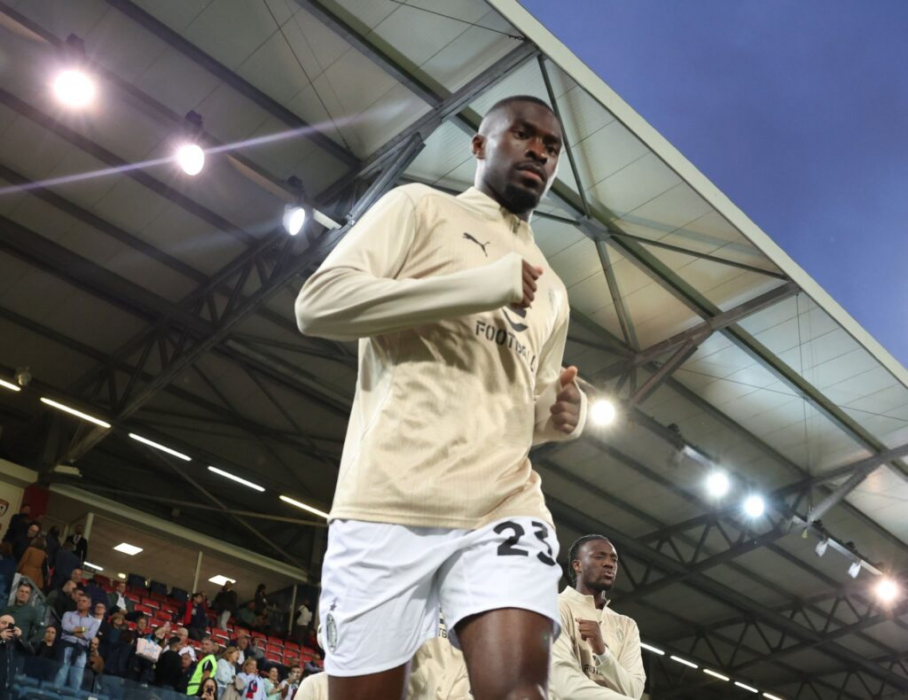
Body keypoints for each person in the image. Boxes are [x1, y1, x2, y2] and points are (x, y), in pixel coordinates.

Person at [294, 94, 586, 698]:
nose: (539, 151)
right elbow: (318, 305)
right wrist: (477, 287)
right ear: (479, 145)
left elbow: (528, 407)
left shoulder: (554, 291)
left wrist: (560, 416)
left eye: (551, 147)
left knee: (520, 693)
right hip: (388, 499)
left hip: (503, 502)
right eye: (523, 134)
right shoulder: (419, 208)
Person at [551, 536, 645, 700]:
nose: (609, 564)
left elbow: (633, 692)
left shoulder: (626, 625)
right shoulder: (553, 607)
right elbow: (563, 684)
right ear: (577, 565)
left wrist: (603, 653)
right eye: (599, 557)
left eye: (614, 559)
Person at [55, 591, 100, 690]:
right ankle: (55, 693)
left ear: (89, 604)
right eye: (79, 600)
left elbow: (90, 635)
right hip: (66, 645)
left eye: (84, 601)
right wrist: (84, 629)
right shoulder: (68, 614)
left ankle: (73, 695)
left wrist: (72, 631)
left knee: (77, 676)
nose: (80, 603)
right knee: (62, 672)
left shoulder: (94, 621)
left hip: (81, 649)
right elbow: (65, 627)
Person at [2, 579, 44, 645]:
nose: (23, 594)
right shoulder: (6, 609)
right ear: (16, 593)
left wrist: (30, 643)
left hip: (19, 646)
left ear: (29, 596)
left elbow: (42, 629)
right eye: (21, 591)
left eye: (26, 592)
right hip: (4, 643)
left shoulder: (33, 612)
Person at [0, 612, 32, 691]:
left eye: (10, 624)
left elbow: (31, 653)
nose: (7, 626)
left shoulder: (16, 642)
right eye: (3, 623)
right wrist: (0, 637)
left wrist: (20, 637)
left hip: (8, 683)